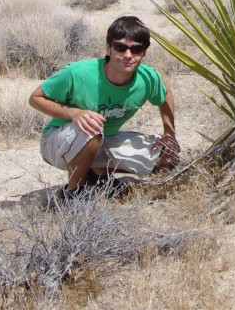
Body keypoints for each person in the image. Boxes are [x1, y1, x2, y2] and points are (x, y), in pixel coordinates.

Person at [29, 15, 180, 198]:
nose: (127, 55)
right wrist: (73, 113)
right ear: (108, 48)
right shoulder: (77, 73)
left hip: (105, 139)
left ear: (144, 53)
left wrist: (169, 134)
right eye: (120, 47)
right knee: (91, 127)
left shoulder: (147, 78)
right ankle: (74, 191)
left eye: (136, 49)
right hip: (58, 141)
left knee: (167, 157)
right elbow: (35, 98)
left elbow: (165, 94)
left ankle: (98, 174)